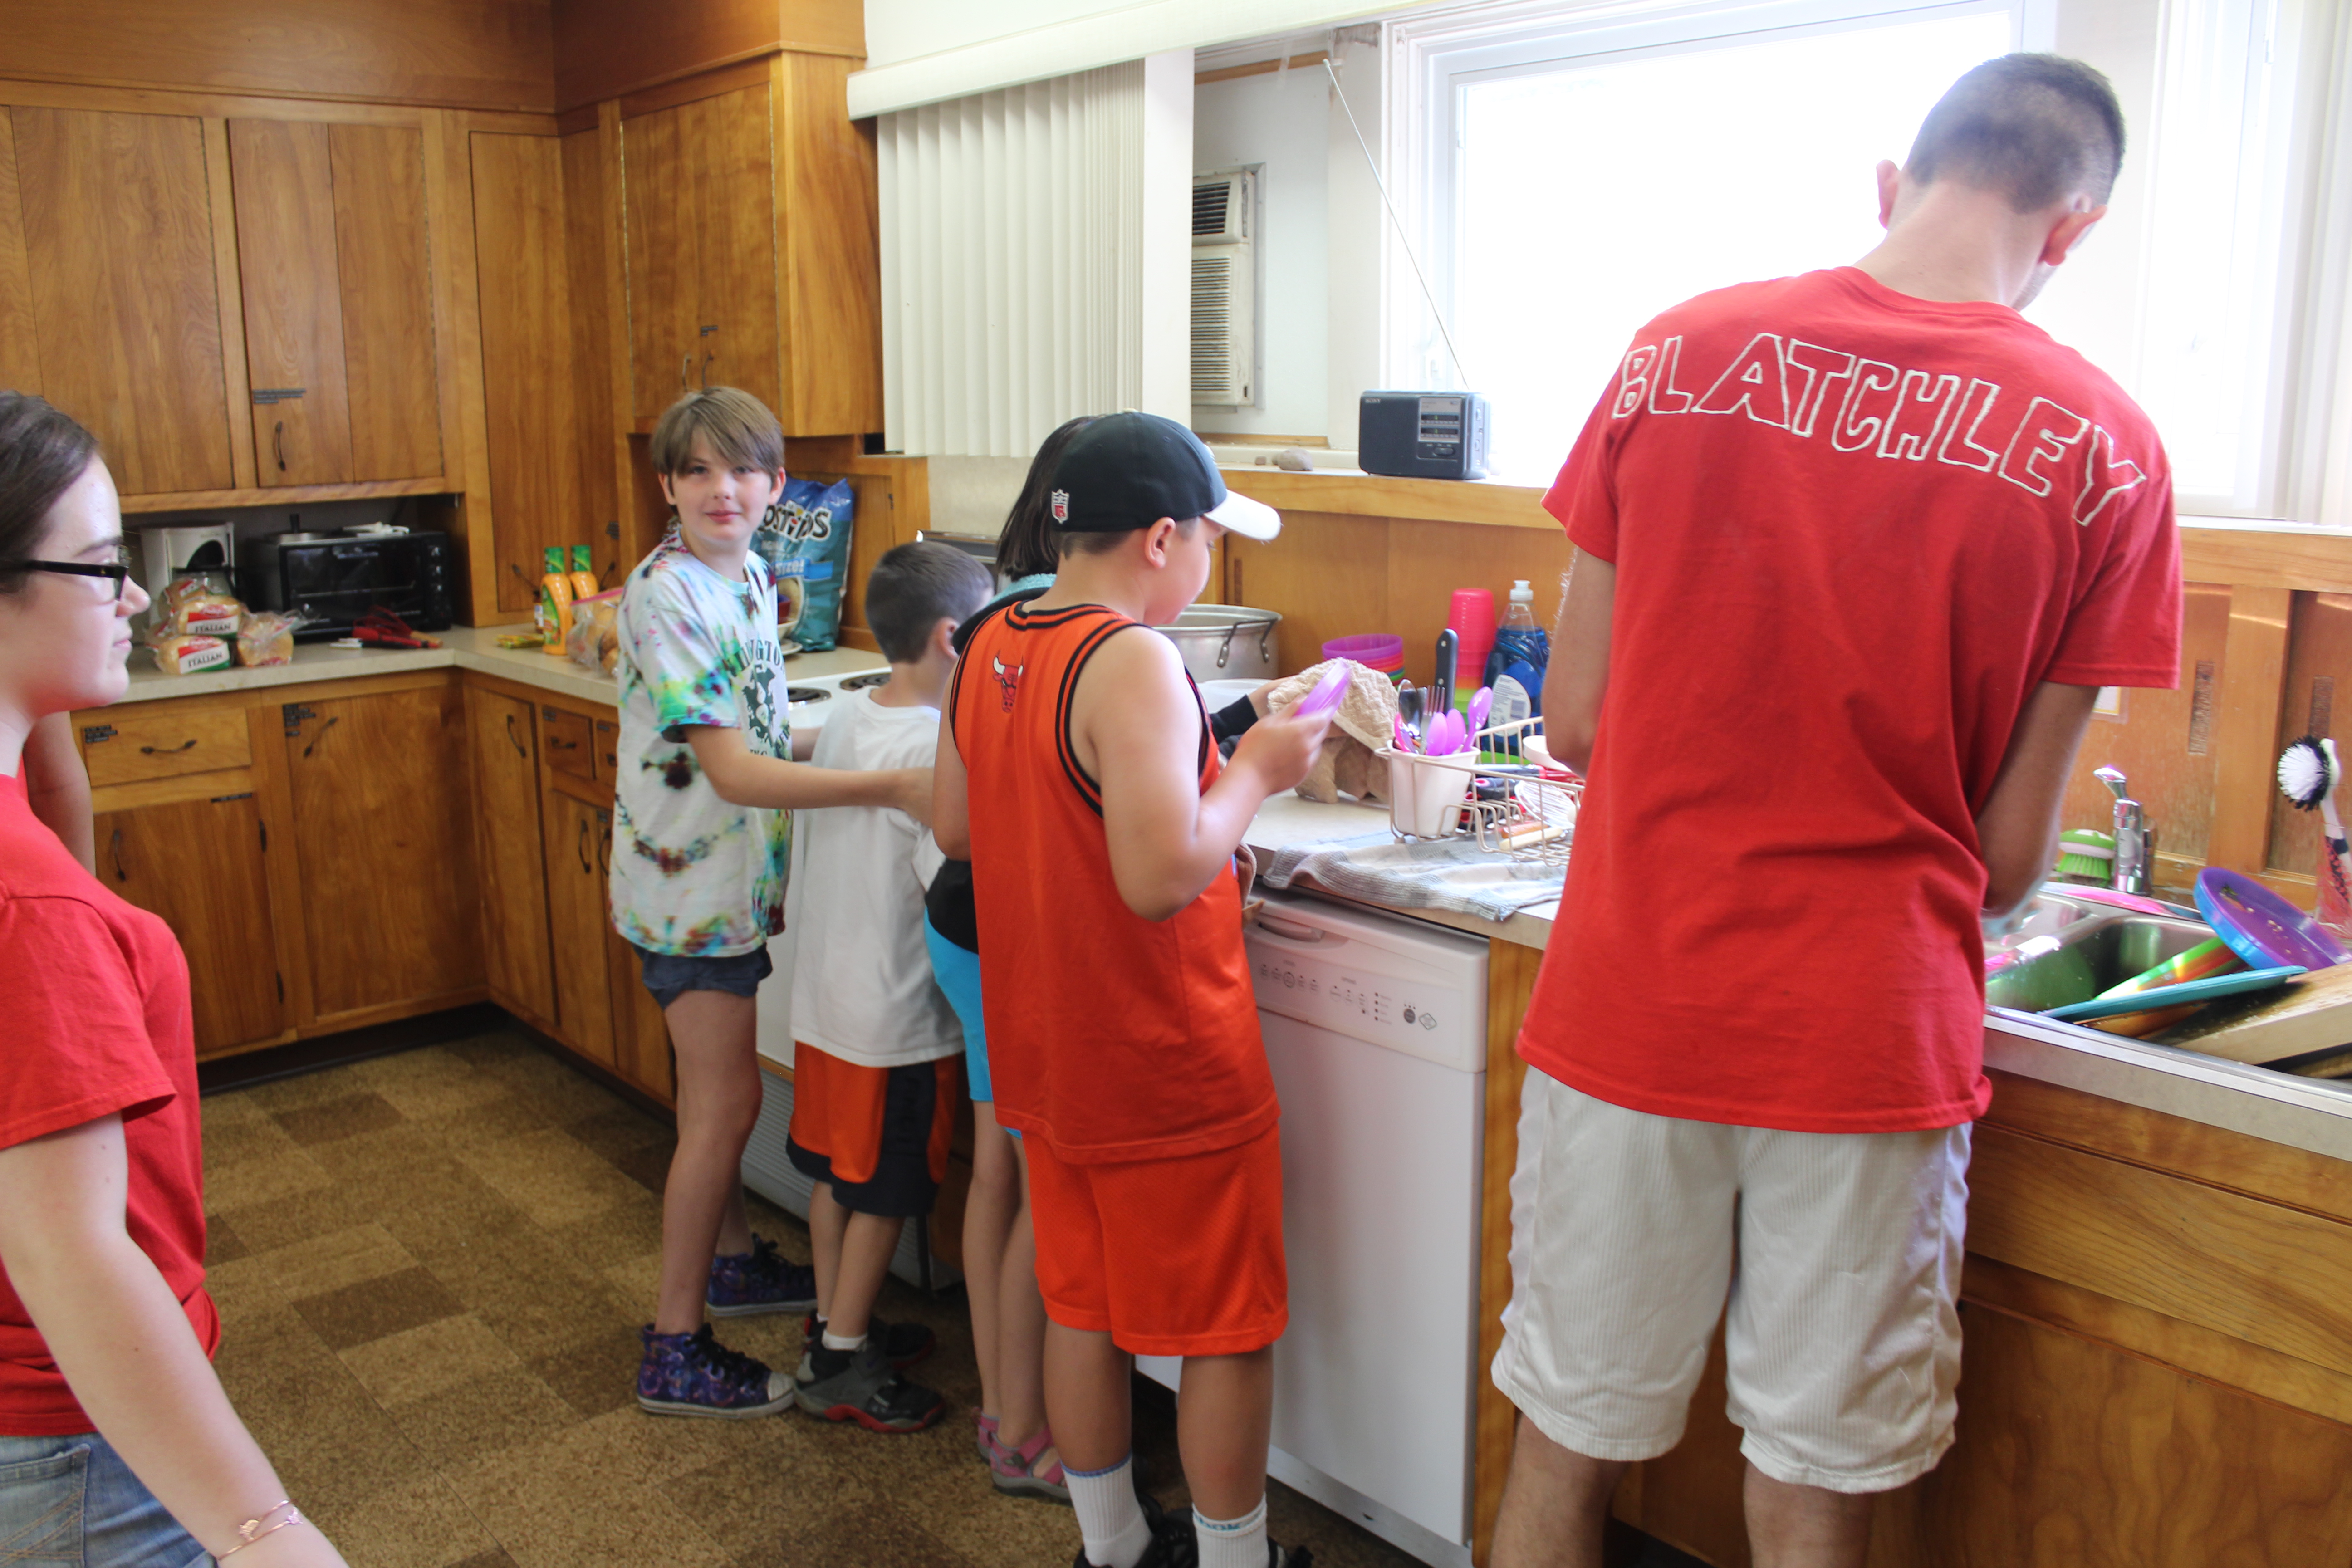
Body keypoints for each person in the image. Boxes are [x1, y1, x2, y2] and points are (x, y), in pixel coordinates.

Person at [1488, 56, 2182, 1568]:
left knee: (1568, 1441)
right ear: (2069, 232)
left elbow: (1584, 719)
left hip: (1634, 1004)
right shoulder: (2109, 452)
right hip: (1866, 1038)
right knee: (1814, 1485)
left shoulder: (1677, 352)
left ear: (1892, 180)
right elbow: (2005, 862)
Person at [934, 412, 1331, 1568]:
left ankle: (1112, 1549)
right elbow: (1160, 877)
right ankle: (1233, 1560)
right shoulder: (1136, 660)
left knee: (1084, 1306)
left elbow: (963, 825)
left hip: (1048, 1050)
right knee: (1224, 1330)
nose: (1212, 562)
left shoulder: (996, 631)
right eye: (1211, 539)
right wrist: (1255, 773)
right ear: (1162, 538)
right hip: (1164, 1056)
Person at [0, 391, 350, 1565]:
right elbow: (70, 1252)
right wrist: (266, 1532)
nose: (140, 597)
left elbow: (55, 809)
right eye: (104, 566)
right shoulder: (29, 913)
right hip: (74, 1445)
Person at [612, 386, 933, 1416]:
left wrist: (862, 735)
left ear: (775, 485)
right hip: (688, 889)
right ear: (667, 486)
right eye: (697, 472)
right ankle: (675, 1342)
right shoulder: (670, 596)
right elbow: (737, 773)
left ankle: (737, 1260)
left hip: (728, 878)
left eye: (742, 469)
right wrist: (888, 782)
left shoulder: (748, 574)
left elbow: (762, 728)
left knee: (716, 1091)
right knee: (727, 1104)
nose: (722, 489)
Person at [783, 540, 993, 1434]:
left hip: (825, 1006)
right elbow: (948, 875)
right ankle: (839, 1361)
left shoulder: (847, 714)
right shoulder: (931, 753)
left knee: (837, 1176)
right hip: (893, 1021)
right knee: (881, 1192)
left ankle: (837, 1320)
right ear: (954, 639)